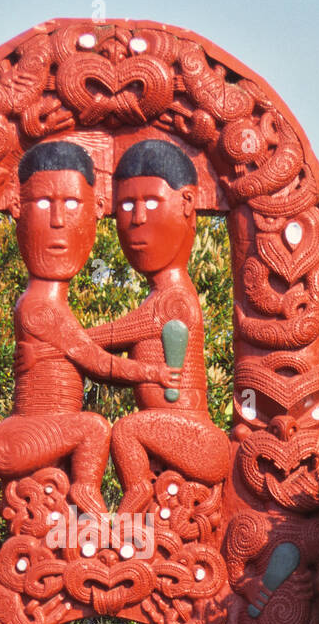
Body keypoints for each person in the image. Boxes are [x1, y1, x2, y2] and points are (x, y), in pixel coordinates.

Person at [0, 141, 179, 516]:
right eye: (43, 204)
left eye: (72, 204)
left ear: (96, 212)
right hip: (18, 439)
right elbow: (96, 362)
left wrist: (67, 346)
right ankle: (87, 499)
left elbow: (83, 347)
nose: (58, 220)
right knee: (94, 427)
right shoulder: (40, 308)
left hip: (37, 435)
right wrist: (152, 372)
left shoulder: (53, 310)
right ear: (16, 209)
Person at [87, 139, 230, 512]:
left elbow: (108, 338)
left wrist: (65, 339)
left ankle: (137, 492)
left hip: (197, 438)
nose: (136, 218)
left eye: (151, 202)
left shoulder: (173, 300)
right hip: (174, 436)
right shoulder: (158, 298)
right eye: (125, 205)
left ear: (186, 203)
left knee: (125, 429)